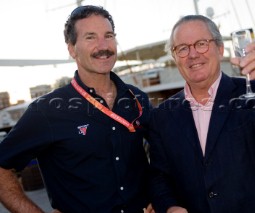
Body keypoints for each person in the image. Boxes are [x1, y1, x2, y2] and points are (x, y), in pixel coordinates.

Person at [148, 15, 255, 213]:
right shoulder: (162, 116)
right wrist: (170, 206)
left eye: (201, 44)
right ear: (175, 57)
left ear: (220, 49)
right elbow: (159, 176)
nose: (192, 54)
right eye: (182, 48)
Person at [0, 5, 153, 213]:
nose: (103, 46)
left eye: (108, 35)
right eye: (90, 37)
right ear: (72, 48)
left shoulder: (138, 99)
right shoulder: (47, 110)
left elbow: (162, 155)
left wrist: (159, 195)